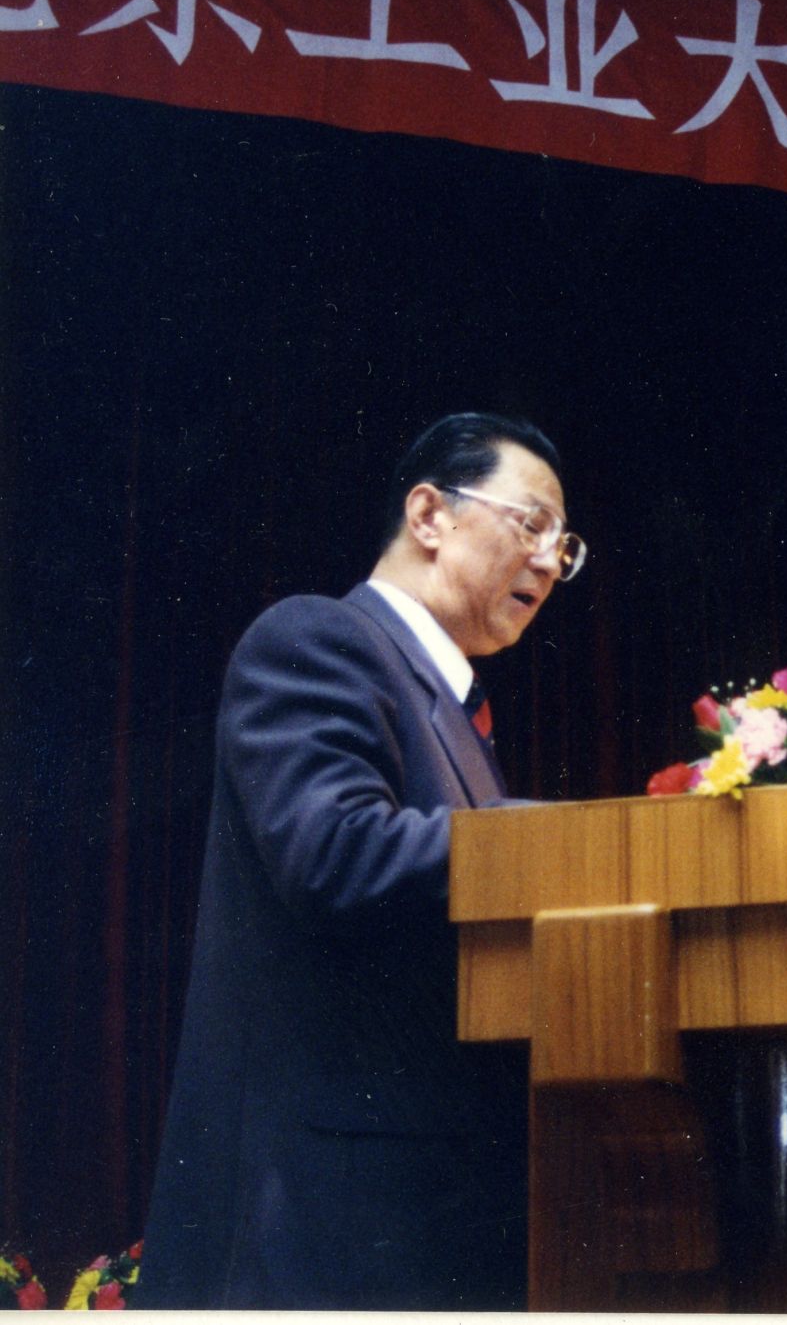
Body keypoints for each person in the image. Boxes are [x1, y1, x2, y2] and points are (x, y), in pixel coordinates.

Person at [138, 413, 585, 1309]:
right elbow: (334, 852)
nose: (547, 562)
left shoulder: (455, 710)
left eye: (564, 547)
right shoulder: (318, 638)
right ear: (429, 515)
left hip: (426, 1206)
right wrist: (574, 843)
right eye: (532, 525)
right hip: (327, 1215)